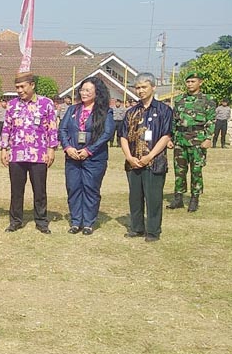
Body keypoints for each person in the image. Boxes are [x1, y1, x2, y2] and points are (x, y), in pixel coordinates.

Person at [0, 72, 58, 234]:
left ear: (32, 85)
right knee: (16, 190)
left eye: (22, 87)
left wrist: (51, 149)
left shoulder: (46, 104)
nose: (19, 90)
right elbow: (6, 128)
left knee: (39, 190)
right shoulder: (12, 105)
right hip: (16, 154)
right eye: (17, 87)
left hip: (39, 154)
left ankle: (41, 221)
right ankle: (16, 221)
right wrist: (4, 149)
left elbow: (51, 128)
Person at [120, 72, 173, 242]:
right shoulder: (131, 112)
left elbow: (166, 136)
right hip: (133, 162)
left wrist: (149, 156)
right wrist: (129, 157)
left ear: (153, 87)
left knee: (153, 198)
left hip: (154, 162)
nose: (140, 90)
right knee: (135, 197)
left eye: (144, 87)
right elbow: (123, 136)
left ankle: (153, 231)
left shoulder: (164, 110)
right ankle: (136, 228)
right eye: (138, 87)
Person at [59, 77, 115, 235]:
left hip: (94, 158)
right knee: (73, 188)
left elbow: (107, 134)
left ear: (97, 93)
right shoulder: (72, 110)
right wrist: (67, 147)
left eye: (88, 90)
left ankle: (89, 222)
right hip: (72, 157)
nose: (84, 93)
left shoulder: (105, 112)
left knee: (90, 188)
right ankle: (76, 221)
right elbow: (62, 129)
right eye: (82, 90)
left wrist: (89, 150)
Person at [166, 71, 215, 212]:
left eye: (193, 81)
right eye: (188, 82)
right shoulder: (180, 99)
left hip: (197, 140)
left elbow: (211, 120)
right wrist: (171, 138)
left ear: (200, 82)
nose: (190, 84)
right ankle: (178, 198)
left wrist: (208, 138)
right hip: (180, 140)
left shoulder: (208, 99)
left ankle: (194, 199)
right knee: (179, 170)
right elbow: (174, 121)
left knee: (196, 170)